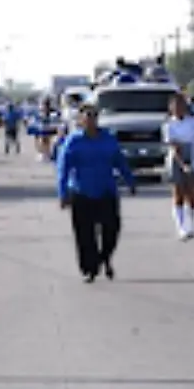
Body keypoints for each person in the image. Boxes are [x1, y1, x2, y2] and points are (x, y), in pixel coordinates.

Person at [55, 103, 137, 283]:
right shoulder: (73, 141)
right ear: (80, 119)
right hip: (81, 192)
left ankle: (104, 257)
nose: (90, 119)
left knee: (112, 230)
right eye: (87, 116)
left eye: (93, 115)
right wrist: (62, 194)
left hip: (106, 191)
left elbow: (120, 161)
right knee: (85, 234)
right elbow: (63, 169)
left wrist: (130, 181)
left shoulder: (108, 139)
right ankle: (89, 269)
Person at [161, 93, 194, 240]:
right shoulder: (169, 125)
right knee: (178, 192)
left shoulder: (193, 122)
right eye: (175, 106)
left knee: (192, 193)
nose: (178, 108)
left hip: (191, 154)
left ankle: (191, 224)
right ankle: (181, 227)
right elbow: (174, 146)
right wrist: (183, 164)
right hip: (177, 158)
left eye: (181, 105)